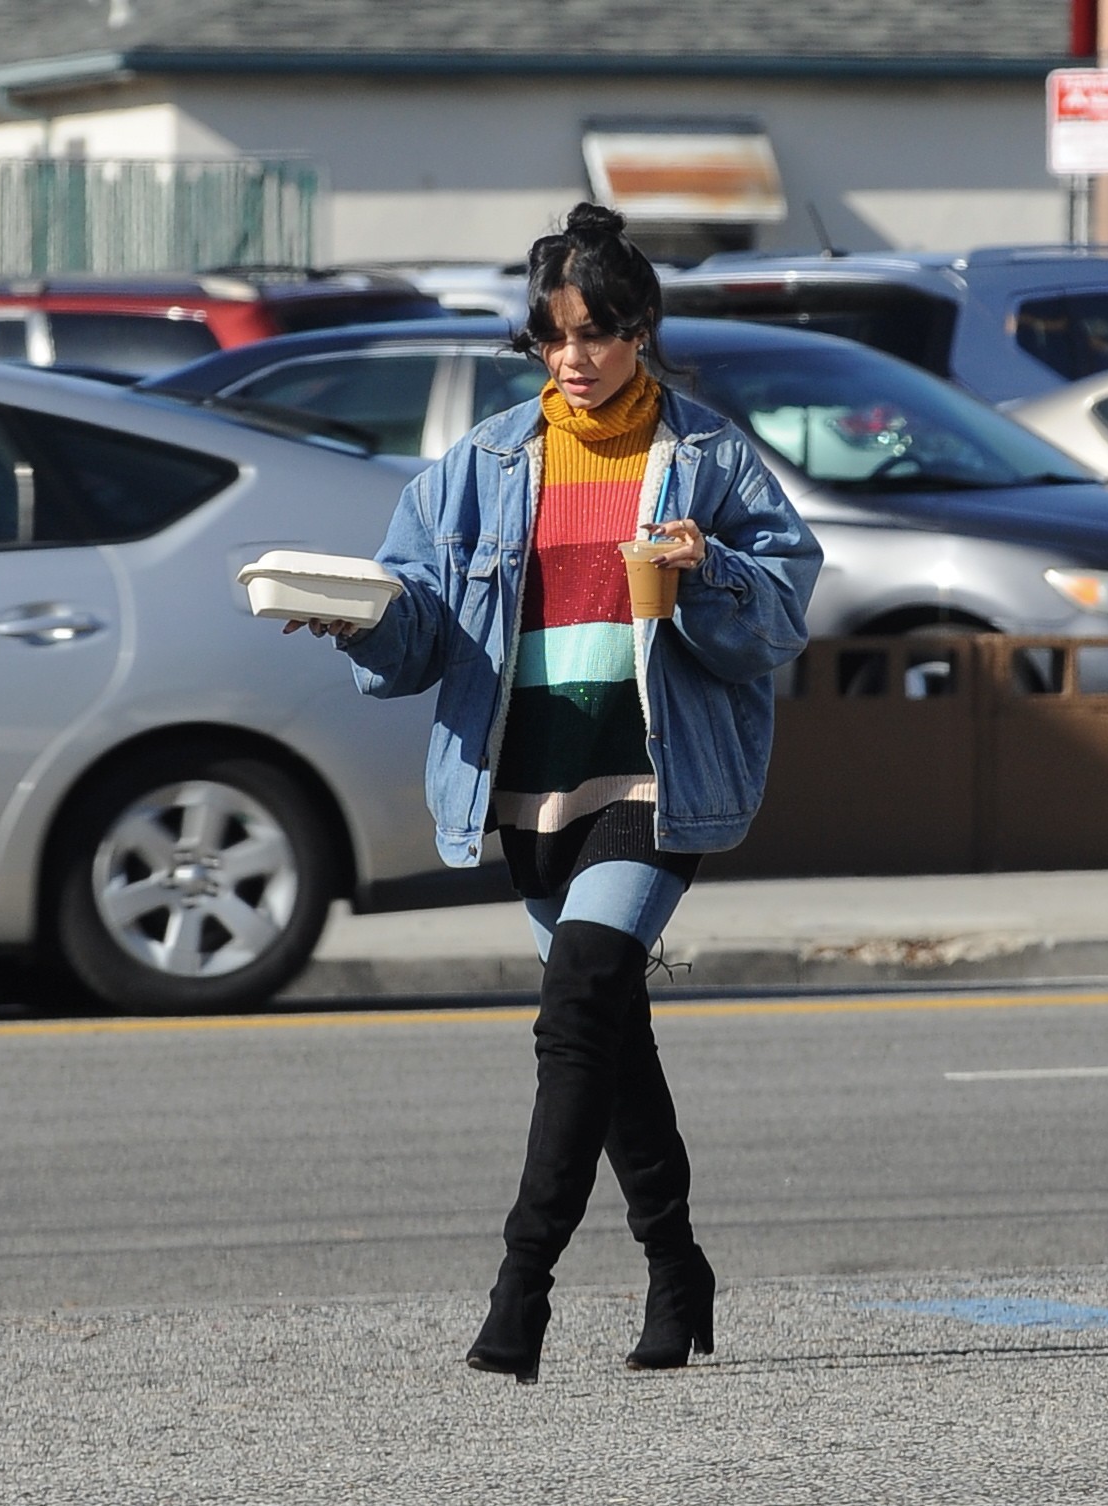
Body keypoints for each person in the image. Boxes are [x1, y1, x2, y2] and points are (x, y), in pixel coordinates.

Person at [286, 202, 821, 1384]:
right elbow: (421, 631)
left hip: (654, 773)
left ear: (640, 329)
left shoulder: (708, 459)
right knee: (611, 1032)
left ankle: (518, 1290)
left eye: (595, 332)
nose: (572, 358)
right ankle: (676, 1269)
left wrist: (709, 568)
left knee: (574, 1003)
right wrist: (358, 622)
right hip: (524, 782)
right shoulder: (477, 467)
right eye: (551, 336)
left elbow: (781, 613)